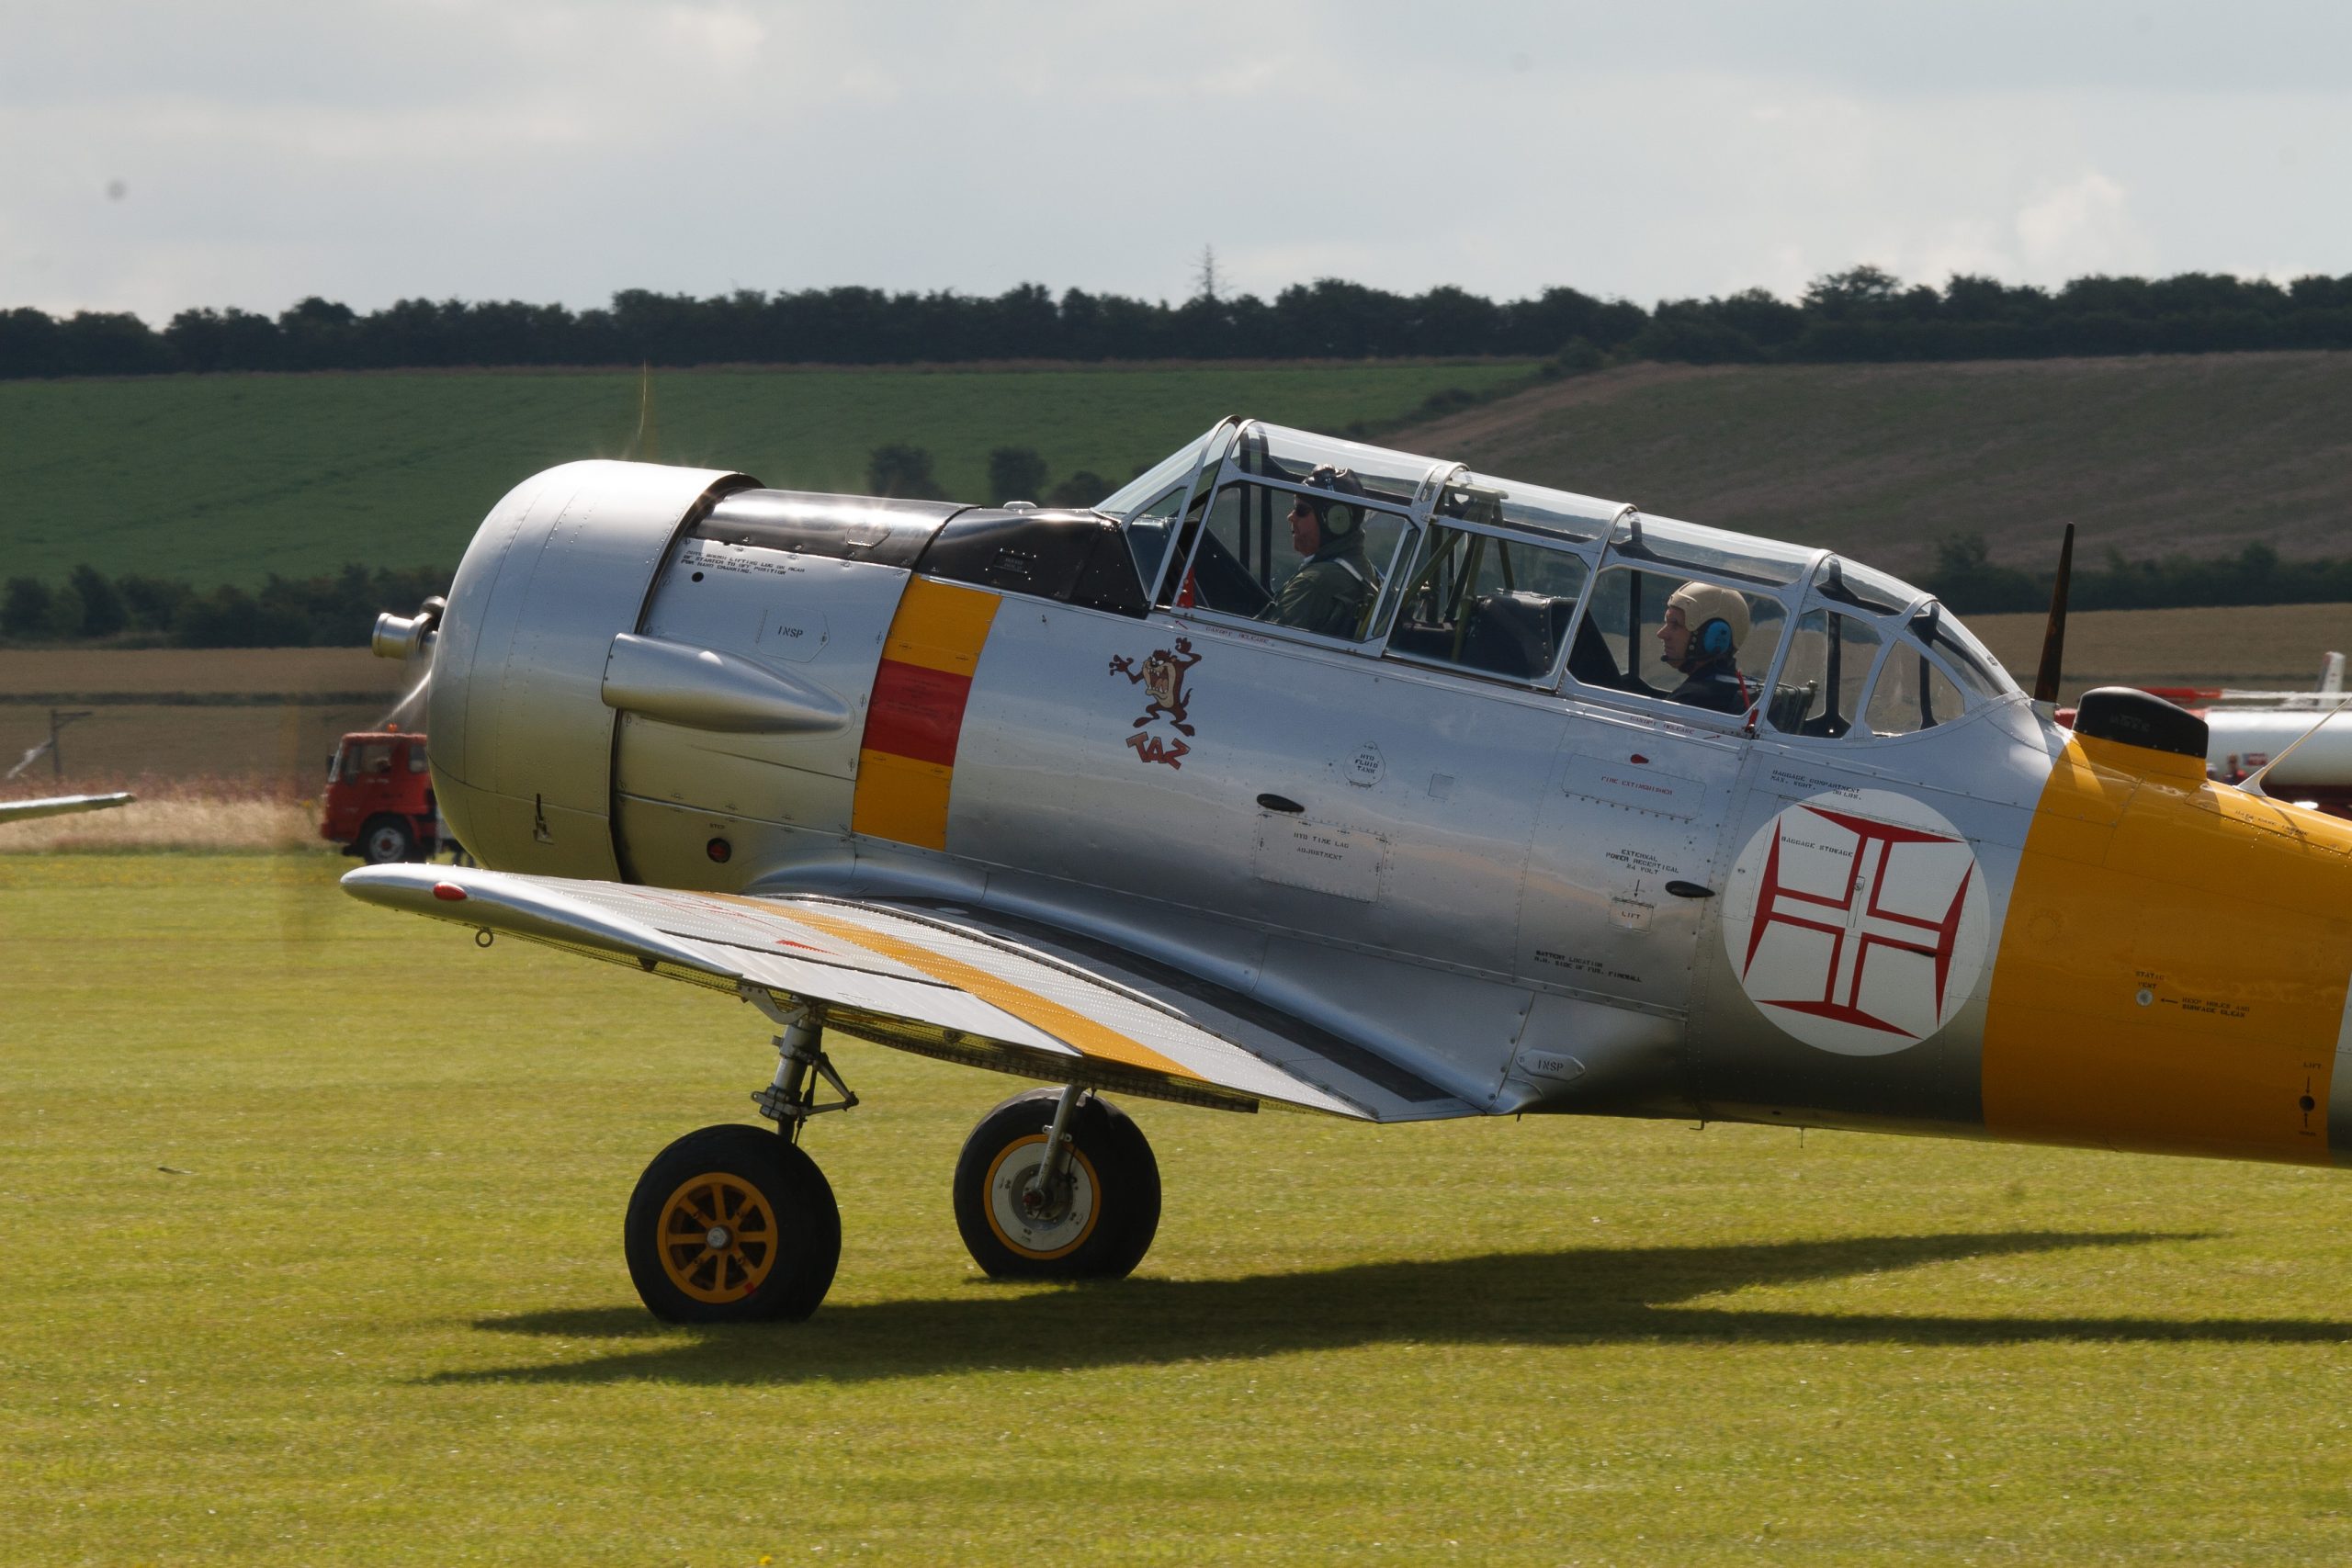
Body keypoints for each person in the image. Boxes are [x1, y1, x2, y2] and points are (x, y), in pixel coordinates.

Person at [1261, 465, 1374, 638]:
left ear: (1335, 520)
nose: (1291, 517)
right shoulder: (1363, 568)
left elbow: (1262, 646)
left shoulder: (1314, 582)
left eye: (1301, 510)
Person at [1655, 581, 1753, 715]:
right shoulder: (1734, 688)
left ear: (1714, 636)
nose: (1661, 634)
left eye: (1675, 625)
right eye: (1667, 622)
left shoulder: (1692, 699)